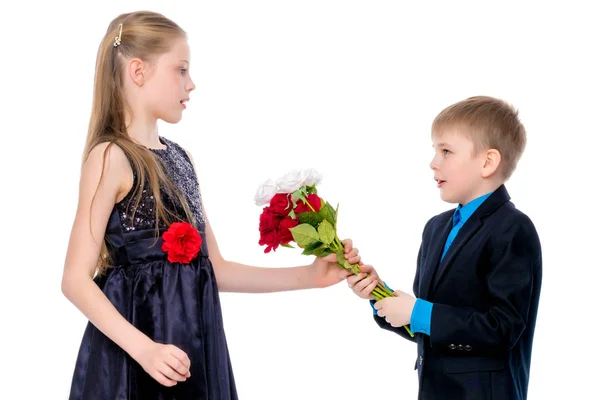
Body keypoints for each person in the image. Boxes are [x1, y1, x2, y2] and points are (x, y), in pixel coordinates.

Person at [61, 11, 359, 400]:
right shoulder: (111, 156)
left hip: (192, 346)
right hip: (137, 359)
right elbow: (75, 280)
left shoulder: (180, 158)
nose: (192, 84)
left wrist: (310, 275)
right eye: (180, 70)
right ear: (138, 71)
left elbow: (212, 268)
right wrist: (144, 349)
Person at [347, 96, 542, 399]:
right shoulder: (436, 228)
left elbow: (503, 329)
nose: (433, 162)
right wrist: (379, 294)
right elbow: (431, 326)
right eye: (435, 150)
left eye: (446, 151)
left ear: (487, 162)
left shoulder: (513, 228)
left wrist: (418, 312)